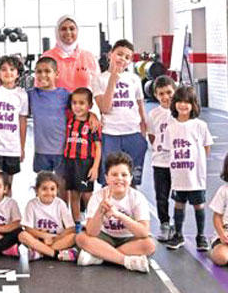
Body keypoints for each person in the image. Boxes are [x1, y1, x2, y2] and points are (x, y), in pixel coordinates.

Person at [75, 151, 155, 273]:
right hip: (105, 237)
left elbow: (143, 232)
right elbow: (91, 232)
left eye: (124, 175)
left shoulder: (137, 197)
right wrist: (100, 211)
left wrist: (118, 215)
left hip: (128, 239)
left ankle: (100, 256)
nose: (119, 178)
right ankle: (126, 261)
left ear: (130, 178)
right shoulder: (97, 197)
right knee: (81, 238)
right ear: (107, 178)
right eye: (114, 174)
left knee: (149, 245)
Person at [162, 85, 214, 251]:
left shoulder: (200, 125)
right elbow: (168, 149)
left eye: (187, 102)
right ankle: (178, 234)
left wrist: (198, 163)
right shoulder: (171, 127)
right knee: (179, 204)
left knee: (199, 205)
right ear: (174, 104)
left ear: (193, 105)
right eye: (180, 101)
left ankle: (201, 236)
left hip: (195, 176)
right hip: (179, 175)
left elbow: (206, 147)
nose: (183, 105)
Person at [93, 39, 148, 185]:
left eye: (127, 57)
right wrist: (113, 79)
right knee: (110, 179)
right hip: (110, 134)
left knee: (131, 179)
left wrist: (143, 133)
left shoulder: (134, 79)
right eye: (119, 54)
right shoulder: (99, 79)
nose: (122, 59)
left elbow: (140, 105)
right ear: (110, 54)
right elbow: (105, 108)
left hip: (133, 133)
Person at [26, 56, 70, 181]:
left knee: (61, 184)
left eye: (47, 71)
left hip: (61, 150)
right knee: (43, 184)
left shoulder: (65, 94)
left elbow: (82, 108)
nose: (42, 75)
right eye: (39, 71)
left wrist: (93, 115)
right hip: (41, 151)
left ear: (56, 74)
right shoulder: (31, 94)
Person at [18, 171, 77, 261]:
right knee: (22, 235)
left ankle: (40, 252)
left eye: (52, 189)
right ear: (37, 190)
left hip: (57, 239)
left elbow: (71, 228)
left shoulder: (60, 204)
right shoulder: (31, 204)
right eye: (44, 189)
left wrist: (54, 238)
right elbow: (28, 228)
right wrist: (45, 236)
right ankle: (55, 254)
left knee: (73, 236)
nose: (49, 192)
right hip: (38, 239)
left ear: (57, 190)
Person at [63, 87, 101, 228]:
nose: (77, 106)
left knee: (87, 195)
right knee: (74, 194)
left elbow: (98, 147)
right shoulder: (70, 120)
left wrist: (95, 167)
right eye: (74, 103)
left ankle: (92, 222)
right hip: (70, 161)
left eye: (81, 103)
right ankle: (77, 224)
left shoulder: (92, 124)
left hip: (85, 163)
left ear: (89, 105)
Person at [148, 75, 176, 241]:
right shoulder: (153, 114)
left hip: (178, 162)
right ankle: (164, 223)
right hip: (160, 162)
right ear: (156, 95)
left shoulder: (181, 111)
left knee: (179, 196)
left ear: (175, 91)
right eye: (161, 94)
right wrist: (160, 149)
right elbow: (151, 135)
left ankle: (178, 225)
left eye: (169, 92)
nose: (166, 97)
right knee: (161, 195)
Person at [40, 15, 98, 93]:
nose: (68, 32)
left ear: (77, 31)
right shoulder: (47, 57)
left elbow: (98, 89)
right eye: (63, 29)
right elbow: (39, 90)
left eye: (72, 28)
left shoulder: (89, 57)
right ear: (57, 32)